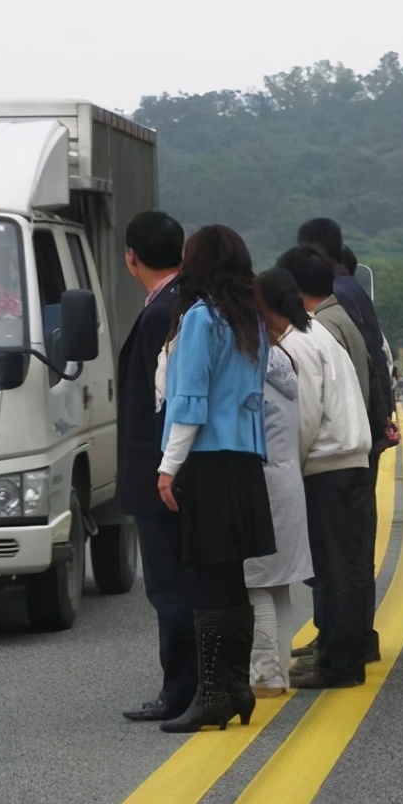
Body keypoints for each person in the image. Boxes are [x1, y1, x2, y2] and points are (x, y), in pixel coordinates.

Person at [155, 224, 277, 733]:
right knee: (230, 578)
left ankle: (212, 693)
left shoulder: (202, 319)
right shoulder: (250, 319)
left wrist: (168, 466)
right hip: (244, 458)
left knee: (206, 579)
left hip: (206, 459)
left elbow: (189, 402)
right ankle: (233, 686)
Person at [294, 219, 396, 667]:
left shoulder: (330, 313)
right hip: (362, 441)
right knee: (350, 551)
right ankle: (347, 638)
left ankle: (342, 643)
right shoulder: (355, 293)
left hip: (342, 448)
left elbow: (338, 385)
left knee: (338, 555)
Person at [273, 248, 373, 689]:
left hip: (327, 465)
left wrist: (286, 466)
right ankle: (338, 655)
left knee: (335, 572)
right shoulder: (319, 331)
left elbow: (304, 413)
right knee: (345, 567)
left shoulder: (296, 342)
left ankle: (339, 665)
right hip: (350, 460)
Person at [116, 211, 195, 723]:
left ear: (131, 259)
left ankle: (180, 690)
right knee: (184, 583)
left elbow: (159, 402)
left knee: (169, 586)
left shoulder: (158, 314)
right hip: (178, 468)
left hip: (162, 472)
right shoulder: (185, 302)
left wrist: (163, 469)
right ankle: (193, 683)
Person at [244, 272, 315, 698]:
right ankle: (279, 671)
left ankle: (266, 675)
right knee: (278, 586)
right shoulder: (283, 361)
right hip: (288, 479)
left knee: (253, 583)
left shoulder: (253, 365)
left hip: (264, 481)